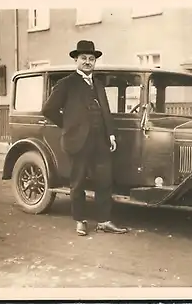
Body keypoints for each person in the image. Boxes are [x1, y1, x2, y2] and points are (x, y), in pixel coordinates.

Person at [41, 40, 128, 236]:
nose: (88, 62)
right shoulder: (66, 84)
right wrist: (68, 125)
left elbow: (105, 111)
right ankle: (80, 221)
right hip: (77, 141)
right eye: (83, 58)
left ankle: (104, 221)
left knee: (104, 181)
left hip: (101, 141)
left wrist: (111, 134)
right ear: (76, 60)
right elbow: (48, 109)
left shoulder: (98, 84)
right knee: (78, 182)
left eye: (91, 59)